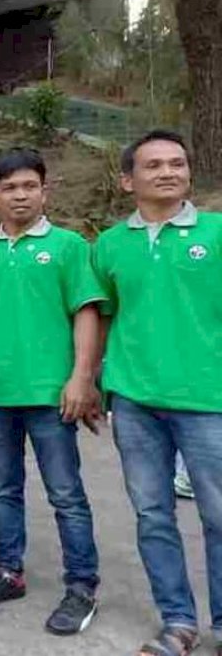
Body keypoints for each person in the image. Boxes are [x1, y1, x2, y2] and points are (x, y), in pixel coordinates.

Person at [0, 149, 104, 635]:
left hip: (51, 393)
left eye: (29, 186)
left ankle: (81, 586)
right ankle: (8, 571)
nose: (20, 196)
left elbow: (85, 312)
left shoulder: (68, 246)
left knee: (66, 494)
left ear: (45, 191)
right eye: (9, 188)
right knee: (2, 489)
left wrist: (82, 377)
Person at [93, 130, 222, 656]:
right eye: (154, 165)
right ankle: (178, 623)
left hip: (208, 400)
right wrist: (91, 379)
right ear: (128, 181)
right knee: (153, 516)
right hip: (134, 401)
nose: (168, 172)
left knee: (219, 516)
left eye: (177, 163)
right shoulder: (108, 245)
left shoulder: (216, 233)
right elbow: (102, 317)